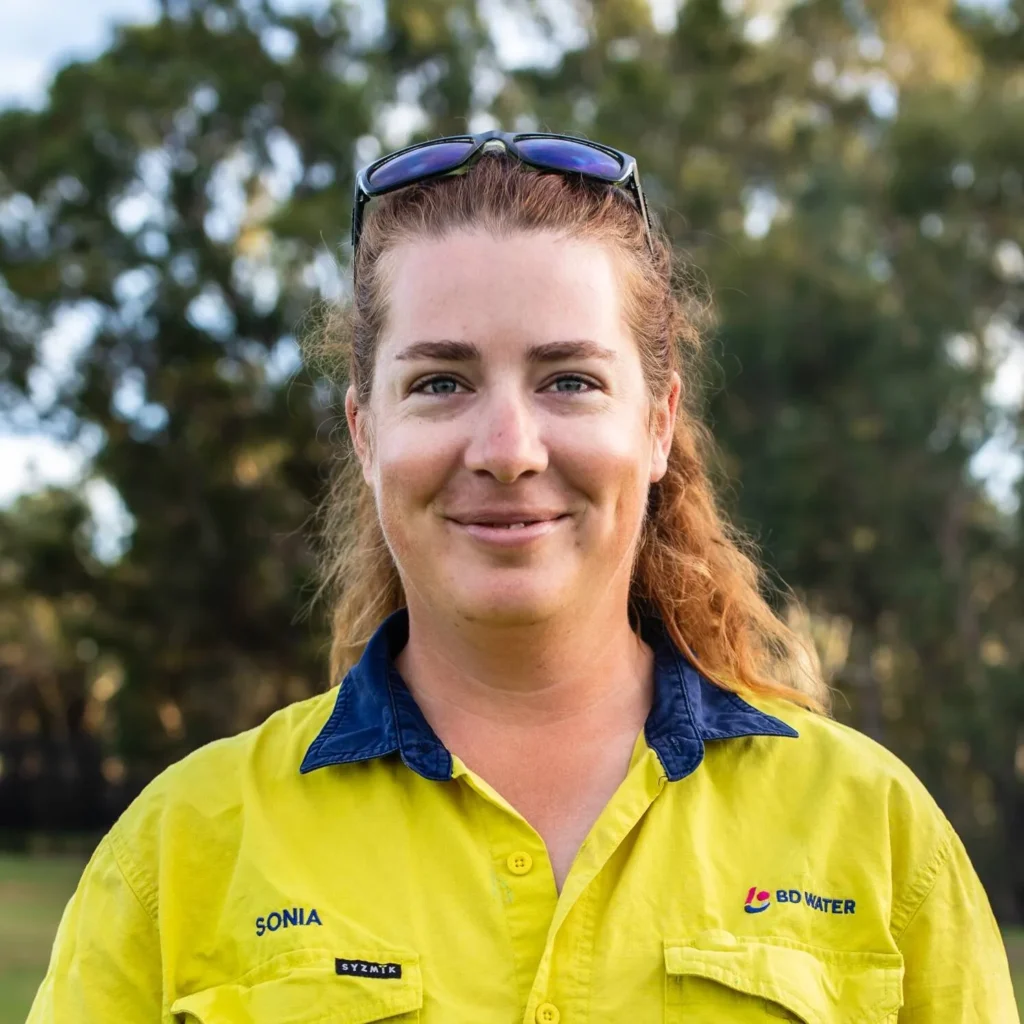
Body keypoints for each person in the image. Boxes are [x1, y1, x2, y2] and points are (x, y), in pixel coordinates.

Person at [30, 131, 1016, 1023]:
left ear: (658, 425)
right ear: (366, 433)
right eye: (440, 383)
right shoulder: (180, 850)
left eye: (569, 380)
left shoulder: (878, 834)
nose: (507, 449)